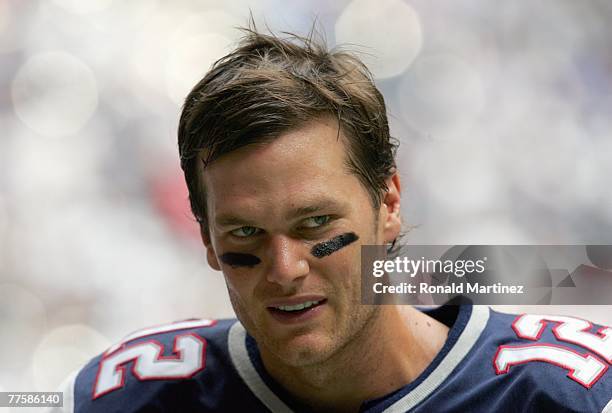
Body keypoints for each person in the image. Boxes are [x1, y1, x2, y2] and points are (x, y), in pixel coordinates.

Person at [56, 27, 611, 413]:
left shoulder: (568, 394)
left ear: (388, 203)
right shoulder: (129, 396)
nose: (284, 268)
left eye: (315, 223)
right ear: (205, 236)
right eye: (245, 231)